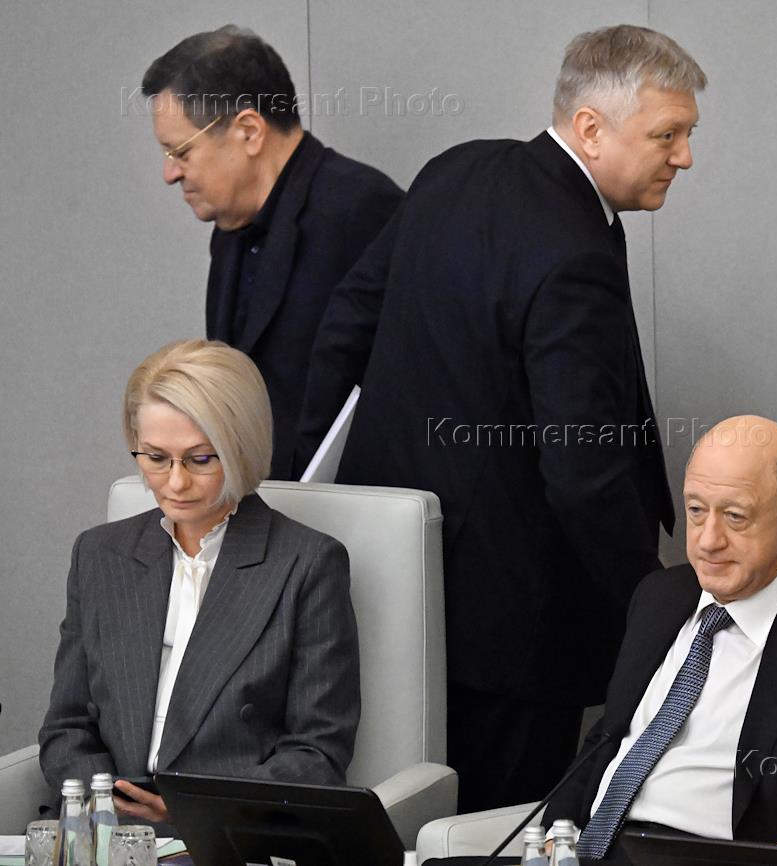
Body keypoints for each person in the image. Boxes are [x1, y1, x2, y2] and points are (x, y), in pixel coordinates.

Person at [296, 25, 702, 811]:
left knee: (411, 819)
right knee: (500, 832)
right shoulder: (574, 249)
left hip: (396, 586)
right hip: (523, 624)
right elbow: (583, 471)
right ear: (591, 127)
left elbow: (346, 322)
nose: (684, 156)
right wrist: (653, 605)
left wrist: (316, 493)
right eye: (667, 134)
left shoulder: (455, 170)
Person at [543, 416, 777, 862]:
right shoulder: (658, 596)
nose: (708, 541)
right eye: (696, 511)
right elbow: (608, 737)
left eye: (735, 517)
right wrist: (555, 836)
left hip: (704, 854)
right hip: (590, 850)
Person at [38, 339, 360, 825]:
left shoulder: (308, 563)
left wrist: (194, 811)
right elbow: (67, 726)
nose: (175, 483)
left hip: (228, 831)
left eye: (201, 459)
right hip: (107, 824)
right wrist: (108, 807)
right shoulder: (99, 554)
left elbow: (318, 751)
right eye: (155, 457)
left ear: (241, 447)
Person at [142, 26, 403, 479]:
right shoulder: (231, 221)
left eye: (180, 152)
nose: (170, 174)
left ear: (249, 131)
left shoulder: (362, 209)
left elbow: (392, 386)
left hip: (346, 506)